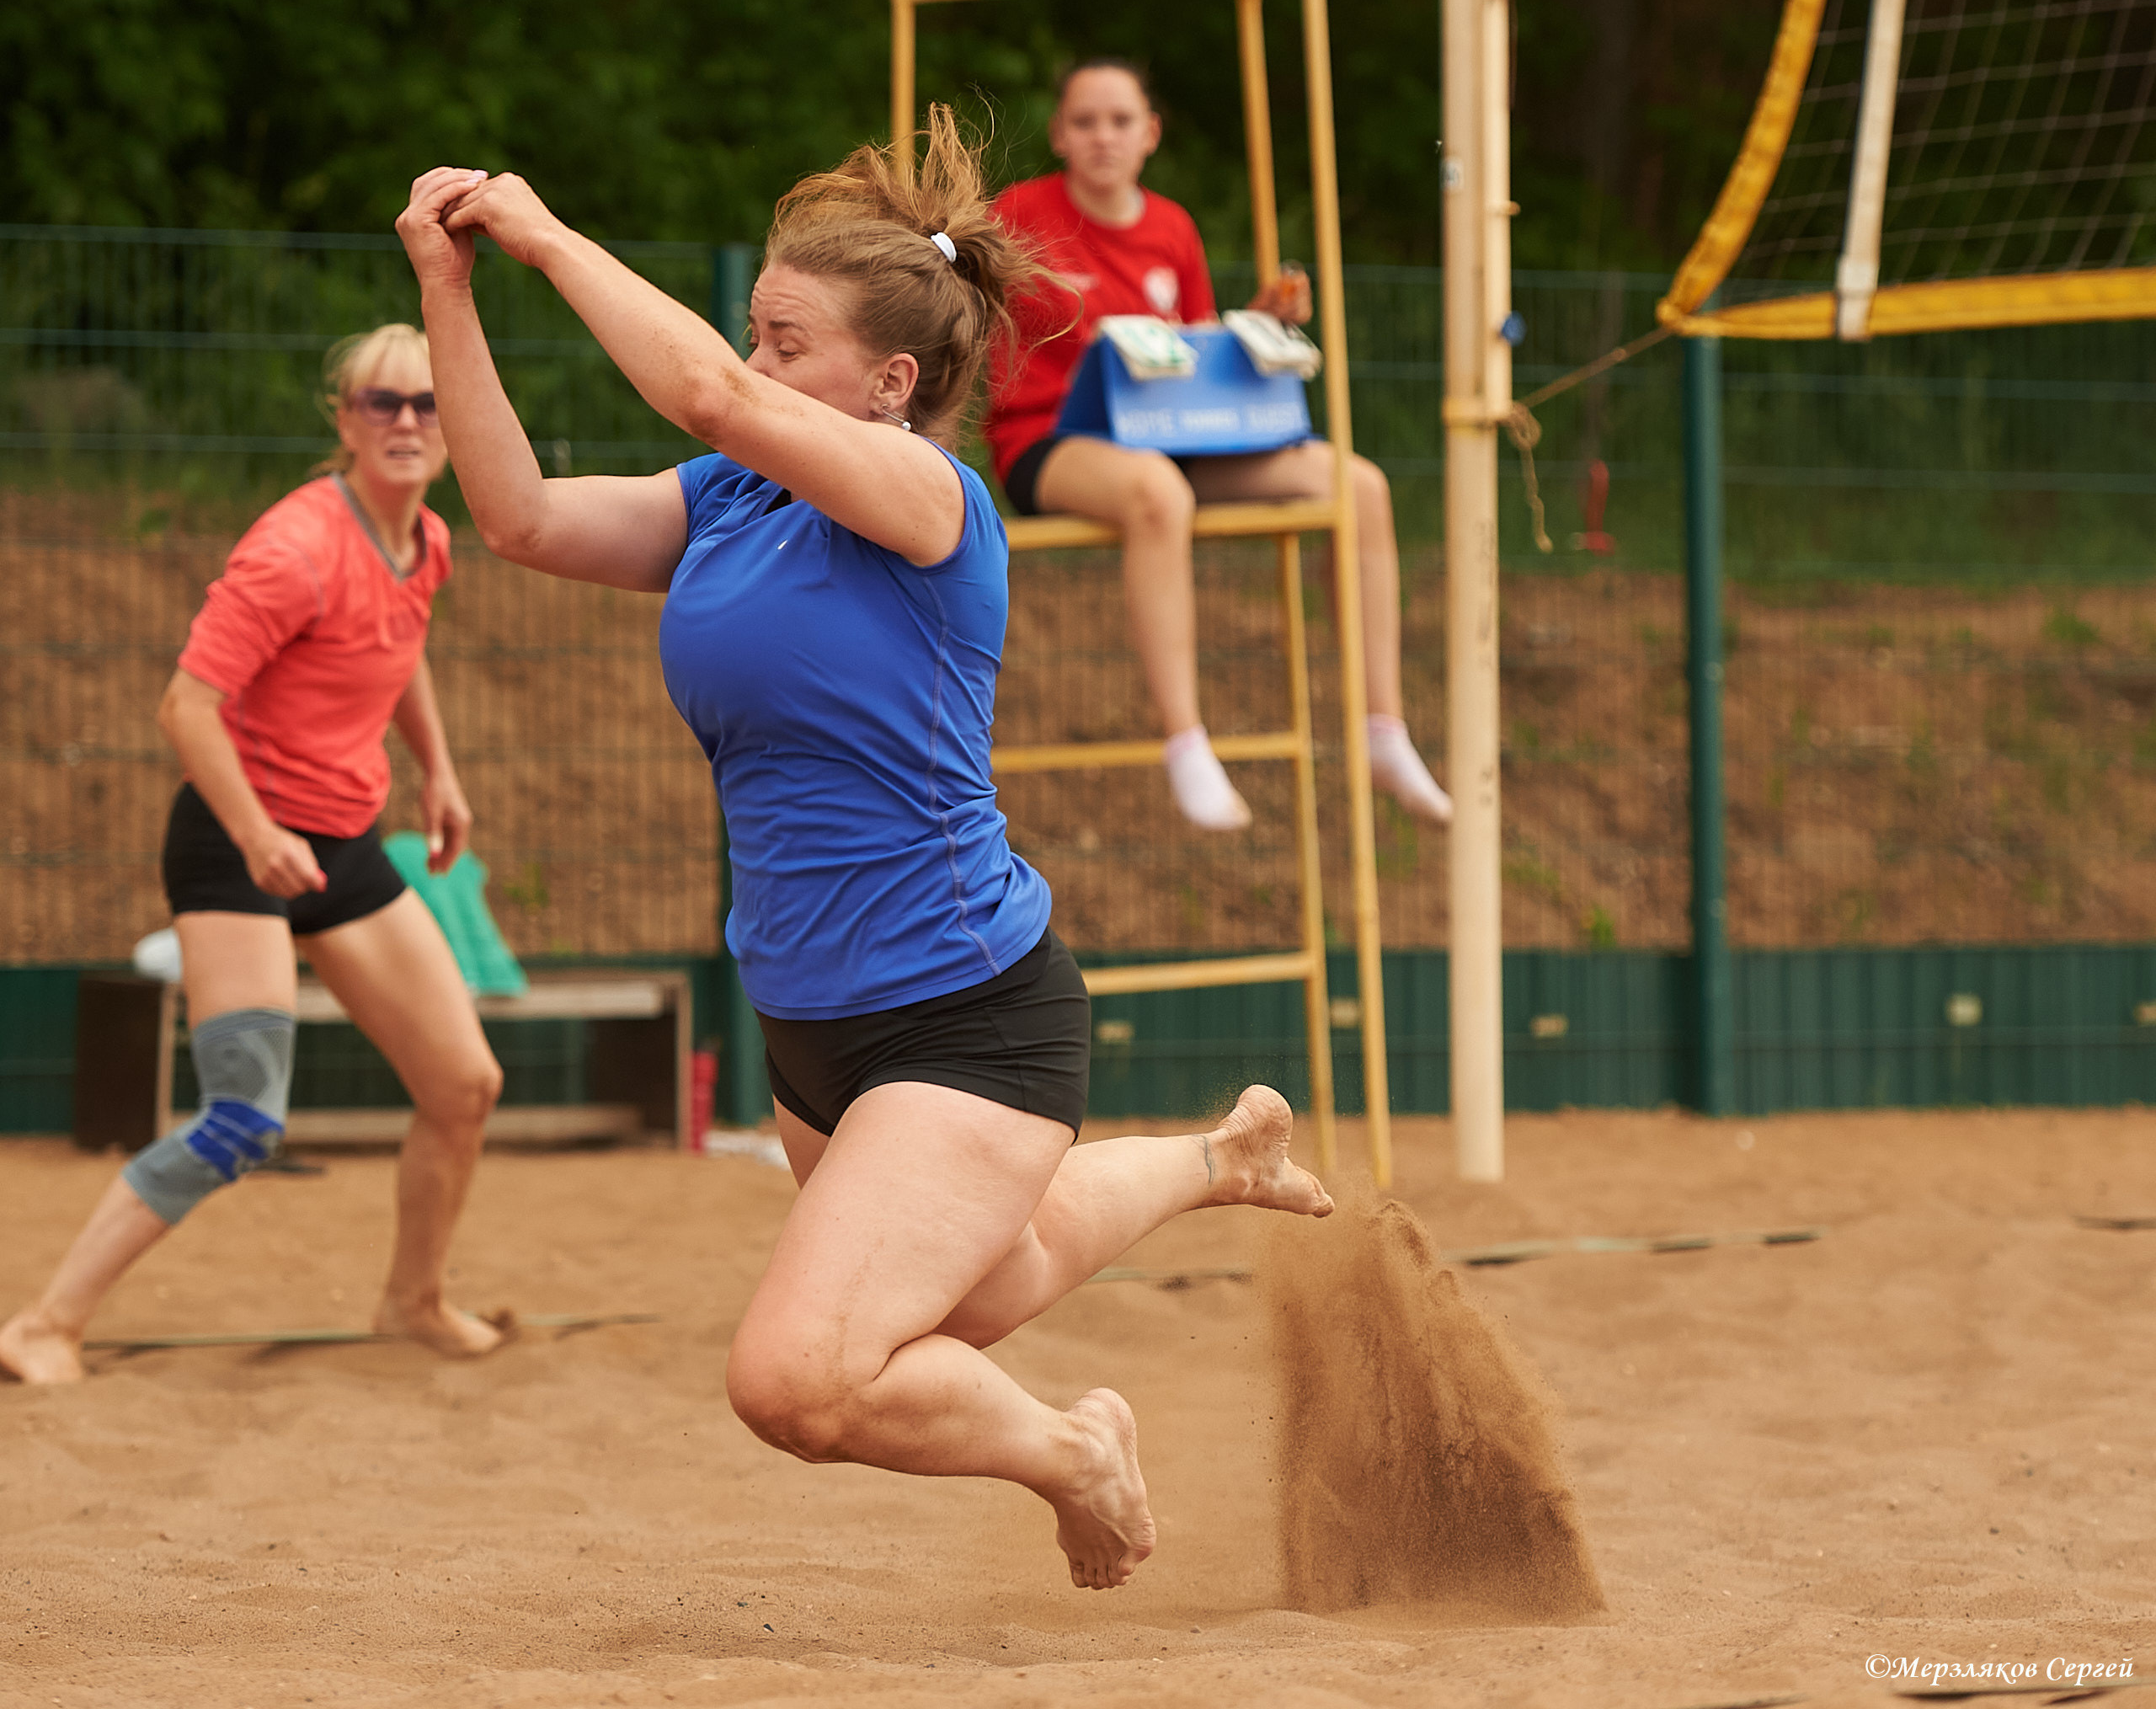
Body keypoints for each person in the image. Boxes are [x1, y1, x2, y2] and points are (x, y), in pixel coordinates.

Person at [397, 105, 1334, 1590]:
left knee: (797, 1380)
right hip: (812, 1022)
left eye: (789, 342)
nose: (757, 364)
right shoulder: (730, 501)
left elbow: (703, 391)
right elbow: (513, 518)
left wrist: (543, 232)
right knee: (980, 1288)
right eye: (758, 337)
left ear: (892, 382)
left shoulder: (930, 502)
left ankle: (1075, 1446)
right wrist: (450, 294)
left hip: (965, 1009)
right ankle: (1221, 1153)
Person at [0, 326, 507, 1386]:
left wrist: (440, 774)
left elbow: (396, 652)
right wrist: (256, 832)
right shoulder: (293, 548)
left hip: (341, 841)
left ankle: (411, 1301)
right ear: (344, 419)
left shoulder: (429, 541)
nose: (407, 421)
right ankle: (45, 1324)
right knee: (243, 1118)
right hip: (237, 845)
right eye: (383, 403)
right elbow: (186, 707)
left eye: (426, 403)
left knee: (464, 1083)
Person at [989, 57, 1454, 832]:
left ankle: (1384, 729)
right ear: (1060, 136)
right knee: (1157, 494)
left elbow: (1192, 351)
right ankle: (1185, 740)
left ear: (1150, 135)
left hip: (1172, 435)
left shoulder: (1172, 227)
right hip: (1052, 439)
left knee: (1360, 485)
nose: (1103, 136)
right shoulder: (1019, 214)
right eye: (1085, 121)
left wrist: (1259, 322)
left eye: (1120, 120)